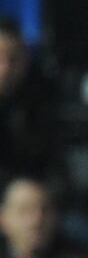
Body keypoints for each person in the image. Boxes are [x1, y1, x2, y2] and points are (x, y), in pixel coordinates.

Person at [0, 17, 59, 182]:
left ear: (26, 59)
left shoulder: (42, 98)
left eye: (13, 58)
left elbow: (49, 163)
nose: (5, 68)